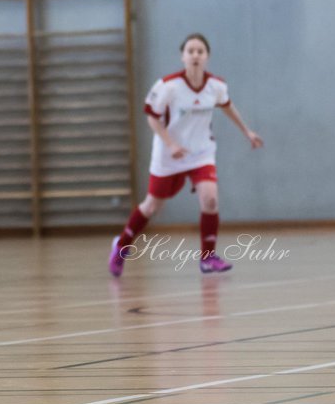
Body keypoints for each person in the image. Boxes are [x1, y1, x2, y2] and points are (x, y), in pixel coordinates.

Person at [109, 34, 262, 277]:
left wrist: (247, 131)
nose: (195, 55)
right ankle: (121, 247)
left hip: (201, 151)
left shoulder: (216, 86)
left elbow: (227, 106)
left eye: (200, 51)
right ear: (182, 56)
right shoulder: (168, 86)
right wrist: (170, 144)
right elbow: (151, 117)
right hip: (169, 154)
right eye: (190, 51)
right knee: (152, 206)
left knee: (210, 199)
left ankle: (208, 258)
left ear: (207, 57)